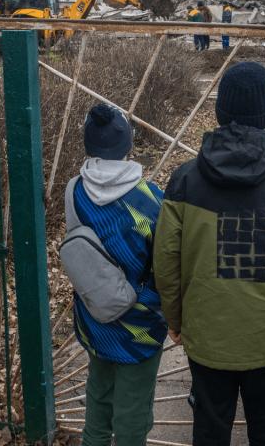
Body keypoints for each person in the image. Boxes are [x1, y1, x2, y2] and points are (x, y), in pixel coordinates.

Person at [154, 62, 265, 446]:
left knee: (210, 428)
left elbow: (167, 263)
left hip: (207, 333)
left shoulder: (184, 180)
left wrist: (175, 320)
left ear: (220, 110)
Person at [68, 104, 167, 446]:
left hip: (94, 317)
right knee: (133, 415)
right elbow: (164, 266)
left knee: (98, 402)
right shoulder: (151, 199)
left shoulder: (74, 192)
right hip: (141, 325)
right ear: (127, 145)